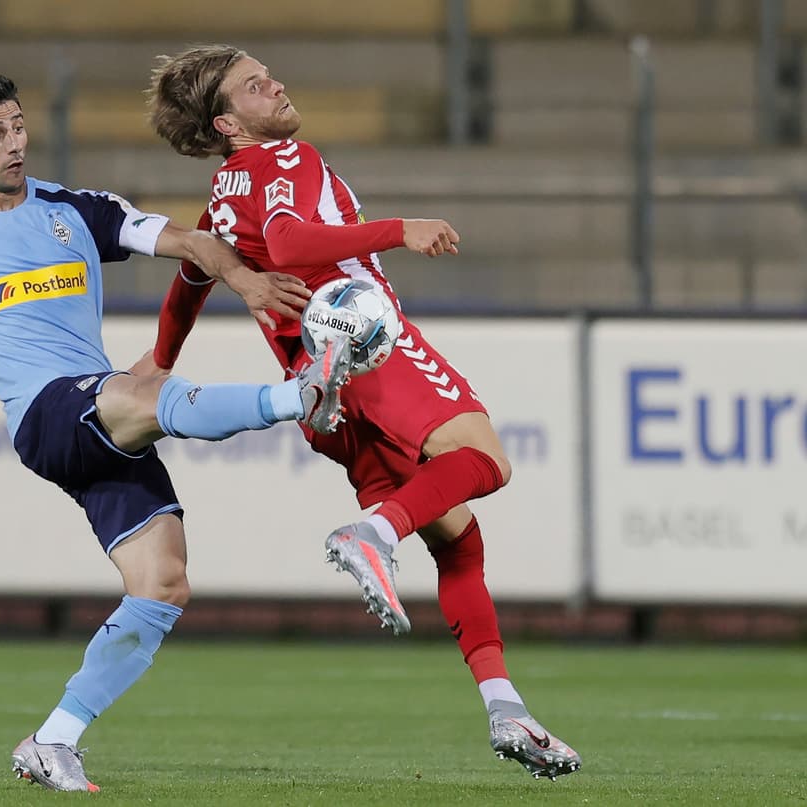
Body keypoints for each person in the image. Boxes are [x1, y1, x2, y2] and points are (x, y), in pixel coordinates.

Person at [0, 71, 353, 793]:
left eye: (18, 126)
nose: (14, 144)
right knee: (143, 389)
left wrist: (244, 279)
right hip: (47, 415)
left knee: (164, 584)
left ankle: (53, 739)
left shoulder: (76, 210)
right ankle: (299, 396)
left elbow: (191, 241)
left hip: (98, 419)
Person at [143, 46, 581, 780]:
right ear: (227, 121)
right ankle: (374, 532)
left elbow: (193, 273)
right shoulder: (284, 157)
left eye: (270, 73)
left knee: (459, 543)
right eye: (254, 85)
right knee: (485, 460)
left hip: (320, 395)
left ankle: (507, 709)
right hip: (367, 348)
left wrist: (160, 360)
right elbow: (288, 242)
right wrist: (396, 226)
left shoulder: (224, 191)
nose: (275, 84)